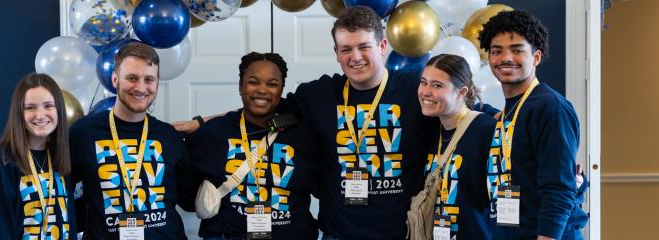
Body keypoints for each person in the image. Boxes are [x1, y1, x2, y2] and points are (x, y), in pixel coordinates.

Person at [176, 6, 437, 239]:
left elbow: (457, 116)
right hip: (339, 232)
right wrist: (201, 123)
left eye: (364, 46)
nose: (355, 57)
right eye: (346, 49)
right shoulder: (318, 95)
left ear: (382, 47)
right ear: (336, 53)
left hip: (401, 232)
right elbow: (259, 108)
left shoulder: (416, 93)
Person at [478, 10, 588, 240]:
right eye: (497, 51)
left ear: (536, 57)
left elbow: (558, 189)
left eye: (517, 50)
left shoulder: (550, 108)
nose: (506, 58)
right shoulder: (512, 110)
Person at [69, 42, 196, 239]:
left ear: (157, 82)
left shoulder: (169, 136)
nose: (141, 87)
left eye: (149, 79)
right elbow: (59, 195)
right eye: (132, 78)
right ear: (114, 79)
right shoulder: (83, 133)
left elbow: (189, 201)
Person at [185, 52, 319, 239]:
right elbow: (186, 192)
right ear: (240, 87)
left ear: (281, 90)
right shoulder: (212, 133)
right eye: (253, 82)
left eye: (272, 84)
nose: (262, 90)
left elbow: (323, 187)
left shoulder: (304, 135)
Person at [0, 73, 77, 240]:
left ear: (59, 109)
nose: (40, 114)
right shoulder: (1, 165)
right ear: (19, 114)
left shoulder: (61, 158)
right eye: (30, 107)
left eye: (48, 105)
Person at [416, 54, 497, 239]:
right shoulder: (431, 129)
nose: (425, 91)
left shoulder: (486, 130)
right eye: (423, 82)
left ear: (461, 92)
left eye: (437, 85)